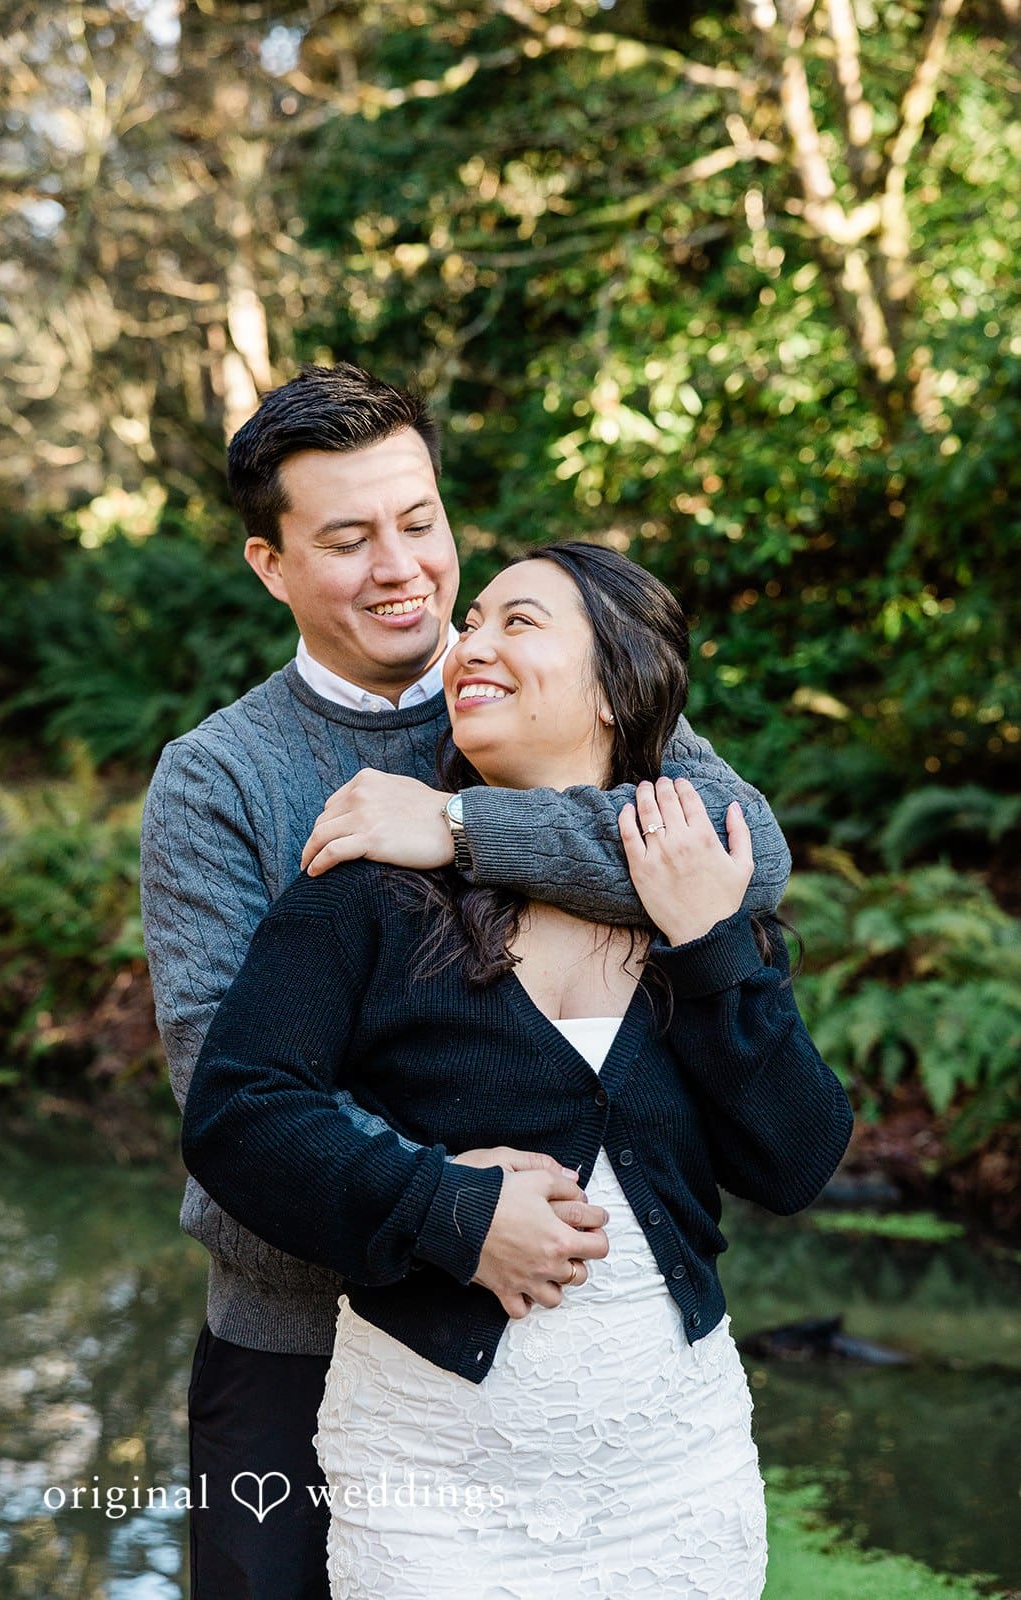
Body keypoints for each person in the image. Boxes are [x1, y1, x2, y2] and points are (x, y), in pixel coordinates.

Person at [140, 364, 793, 1598]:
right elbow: (230, 1106)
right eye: (345, 538)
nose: (401, 567)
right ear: (269, 564)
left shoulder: (552, 686)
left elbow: (735, 859)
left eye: (419, 520)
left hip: (582, 1354)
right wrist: (447, 1203)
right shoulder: (216, 777)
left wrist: (460, 827)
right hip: (297, 1340)